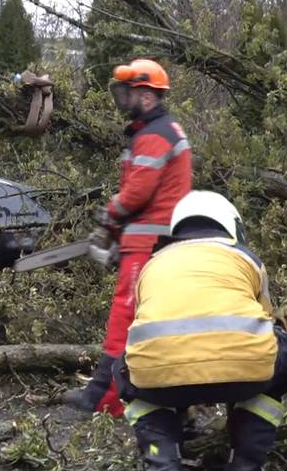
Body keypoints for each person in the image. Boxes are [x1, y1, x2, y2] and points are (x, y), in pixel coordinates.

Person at [114, 191, 287, 470]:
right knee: (279, 347)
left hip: (158, 377)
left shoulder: (151, 265)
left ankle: (160, 455)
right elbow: (266, 319)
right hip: (247, 373)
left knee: (127, 371)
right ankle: (247, 460)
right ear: (231, 225)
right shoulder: (246, 258)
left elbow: (151, 327)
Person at [62, 59, 192, 417]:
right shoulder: (157, 131)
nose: (123, 98)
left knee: (126, 318)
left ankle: (106, 398)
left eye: (130, 91)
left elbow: (137, 193)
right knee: (148, 321)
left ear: (147, 95)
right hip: (153, 239)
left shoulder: (153, 135)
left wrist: (109, 215)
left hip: (150, 241)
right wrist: (118, 235)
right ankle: (153, 399)